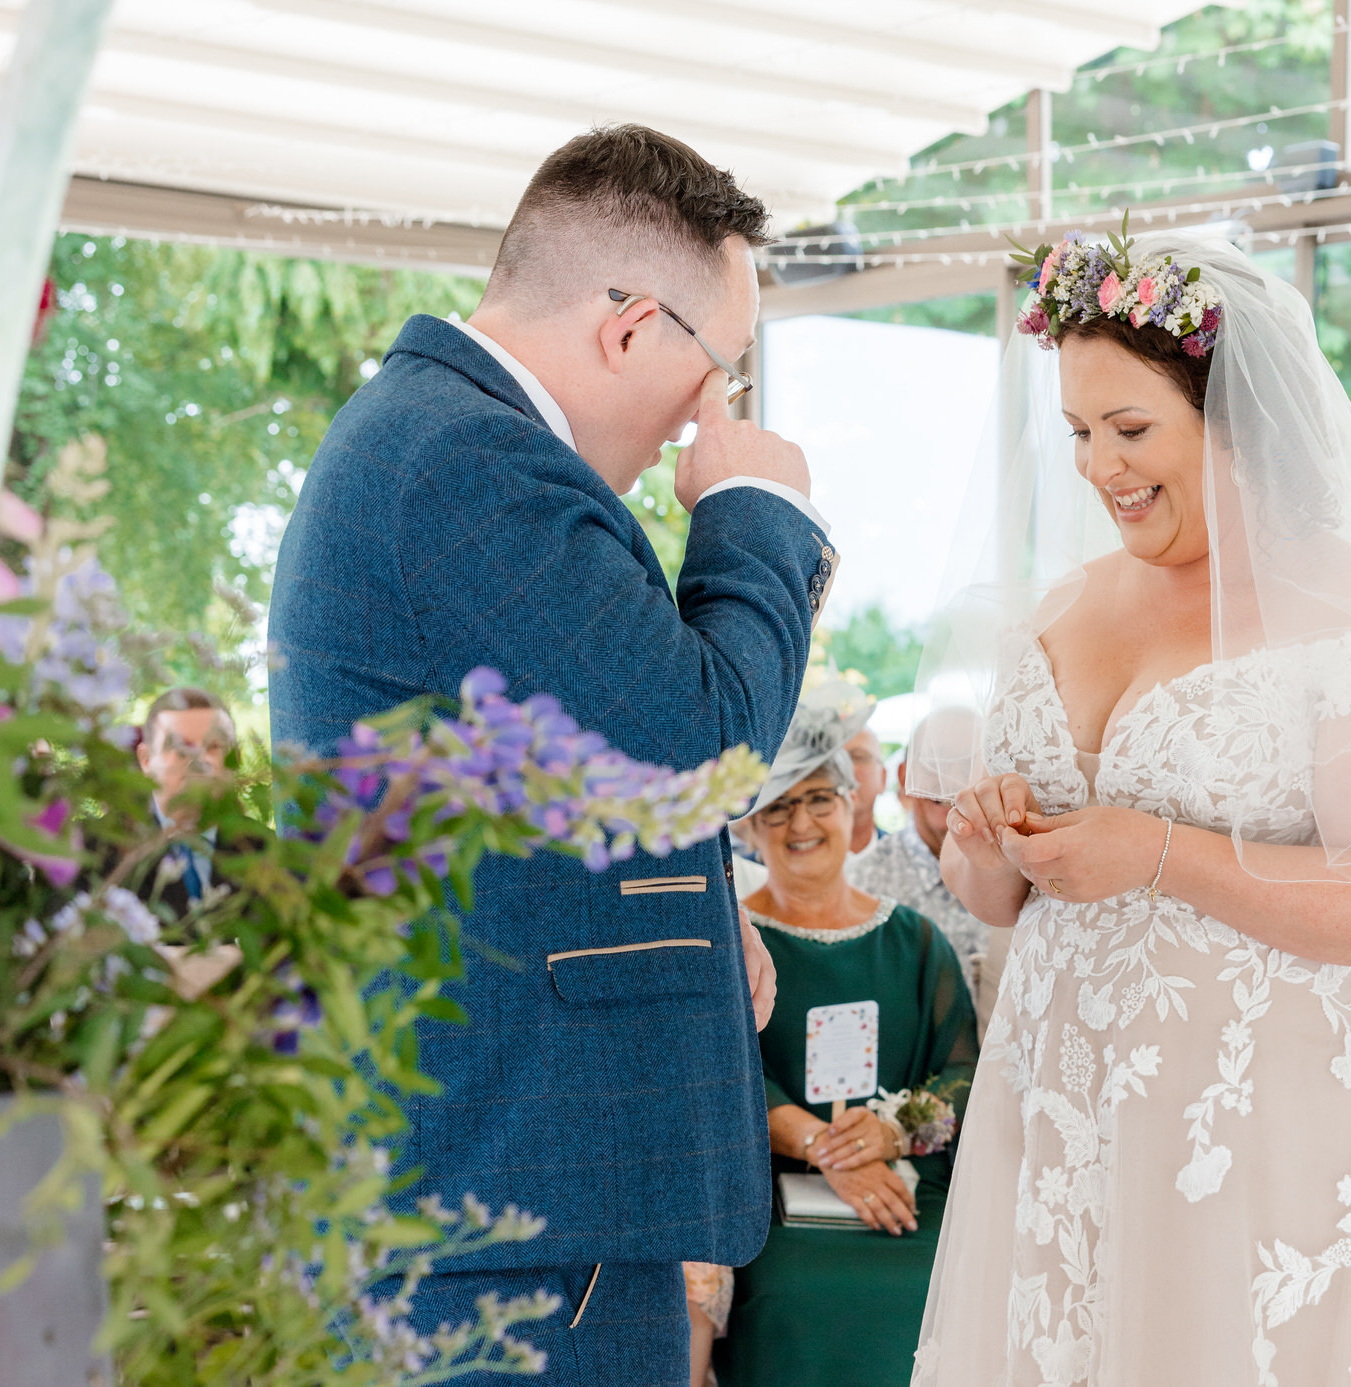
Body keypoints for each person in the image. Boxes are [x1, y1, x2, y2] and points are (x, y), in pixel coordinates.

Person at [907, 231, 1351, 1382]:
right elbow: (999, 901)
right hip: (1065, 1118)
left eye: (1130, 429)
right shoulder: (1060, 606)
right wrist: (987, 842)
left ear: (1239, 420)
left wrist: (1159, 851)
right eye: (1077, 433)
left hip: (1269, 1126)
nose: (1098, 467)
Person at [266, 125, 830, 1381]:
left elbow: (575, 774)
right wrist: (761, 518)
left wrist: (691, 903)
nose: (712, 410)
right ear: (633, 330)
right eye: (718, 367)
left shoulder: (438, 438)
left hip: (495, 1186)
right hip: (508, 1208)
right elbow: (696, 740)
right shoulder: (472, 461)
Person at [713, 699, 977, 1387]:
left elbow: (962, 1076)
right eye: (779, 806)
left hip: (908, 1187)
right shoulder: (730, 946)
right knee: (796, 1292)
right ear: (749, 825)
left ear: (852, 804)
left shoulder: (915, 940)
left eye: (820, 798)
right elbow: (721, 1077)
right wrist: (823, 1148)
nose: (802, 822)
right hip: (773, 1200)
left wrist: (889, 1134)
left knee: (937, 1287)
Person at [847, 711, 994, 1018]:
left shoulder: (1017, 874)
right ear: (904, 777)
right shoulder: (860, 884)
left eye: (965, 763)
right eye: (933, 763)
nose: (948, 779)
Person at [137, 686, 235, 914]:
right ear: (146, 760)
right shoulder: (103, 849)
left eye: (212, 747)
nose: (198, 761)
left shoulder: (262, 851)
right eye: (180, 748)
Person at [845, 725, 888, 854]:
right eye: (833, 759)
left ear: (883, 778)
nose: (845, 769)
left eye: (858, 757)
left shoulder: (906, 859)